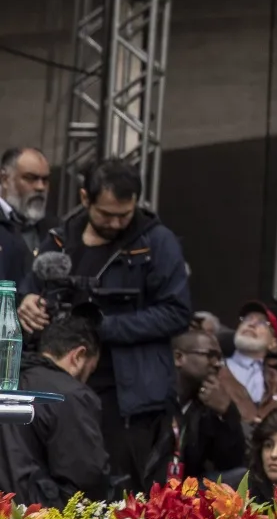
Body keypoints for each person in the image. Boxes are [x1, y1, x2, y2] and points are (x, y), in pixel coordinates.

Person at [20, 159, 192, 490]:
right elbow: (31, 286)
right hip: (57, 389)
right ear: (85, 198)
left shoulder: (157, 242)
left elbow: (177, 312)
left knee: (122, 497)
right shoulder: (60, 238)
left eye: (124, 215)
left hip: (128, 397)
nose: (115, 223)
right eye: (106, 214)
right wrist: (28, 301)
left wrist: (101, 327)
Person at [0, 317, 109, 504]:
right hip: (38, 516)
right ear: (78, 356)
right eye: (90, 371)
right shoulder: (71, 395)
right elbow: (87, 477)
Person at [155, 331, 245, 482]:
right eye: (210, 355)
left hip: (188, 488)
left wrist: (227, 412)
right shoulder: (153, 398)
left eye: (219, 358)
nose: (217, 364)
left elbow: (230, 463)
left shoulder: (208, 403)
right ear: (178, 358)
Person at [217, 306, 277, 426]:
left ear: (273, 343)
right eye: (246, 319)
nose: (251, 324)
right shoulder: (213, 369)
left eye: (262, 322)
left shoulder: (276, 382)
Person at [0, 147, 48, 275]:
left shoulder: (53, 229)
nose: (40, 187)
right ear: (5, 179)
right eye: (30, 178)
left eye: (45, 180)